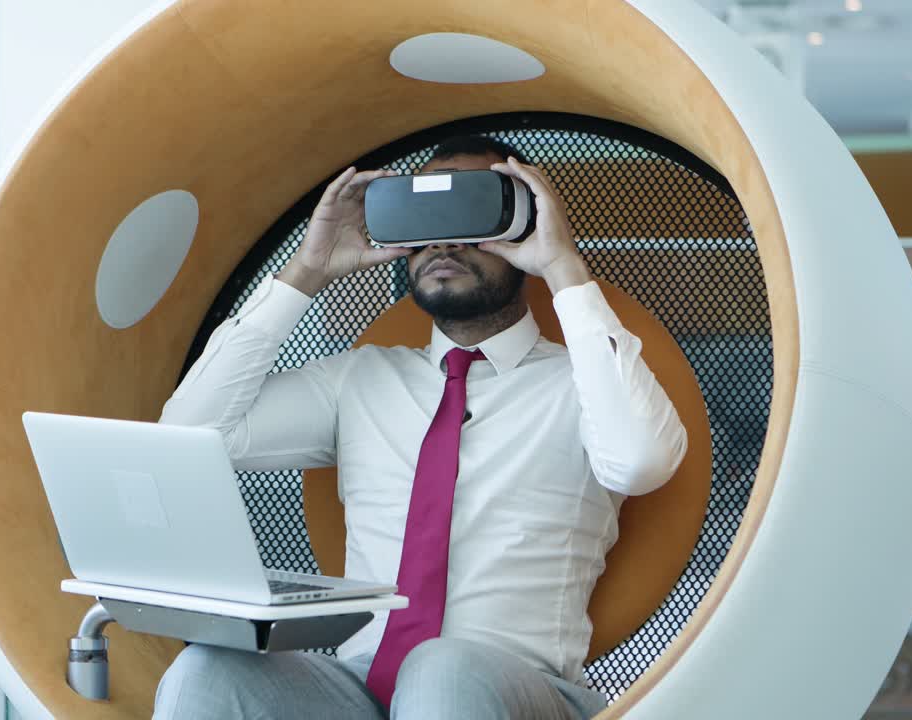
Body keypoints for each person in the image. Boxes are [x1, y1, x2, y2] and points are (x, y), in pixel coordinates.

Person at [153, 135, 689, 719]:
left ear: (527, 228)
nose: (442, 238)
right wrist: (307, 272)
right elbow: (190, 434)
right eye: (421, 215)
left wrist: (563, 267)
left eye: (473, 211)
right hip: (360, 688)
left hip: (518, 690)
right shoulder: (358, 380)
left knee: (440, 668)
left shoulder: (583, 384)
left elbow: (642, 461)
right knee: (208, 669)